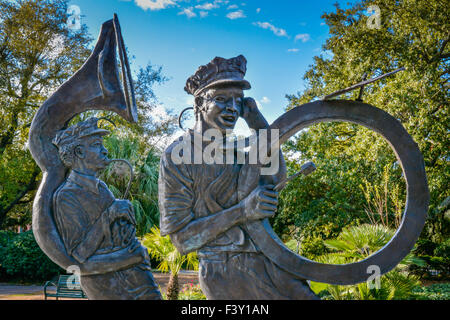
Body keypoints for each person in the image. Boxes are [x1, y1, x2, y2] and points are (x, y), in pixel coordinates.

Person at [158, 55, 318, 299]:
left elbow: (275, 178)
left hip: (270, 259)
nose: (232, 107)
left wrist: (258, 123)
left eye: (238, 101)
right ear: (200, 102)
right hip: (225, 270)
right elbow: (182, 239)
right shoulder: (177, 156)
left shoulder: (238, 152)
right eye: (221, 99)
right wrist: (242, 211)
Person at [52, 117, 161, 300]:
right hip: (107, 283)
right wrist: (110, 215)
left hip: (136, 275)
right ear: (79, 152)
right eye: (96, 145)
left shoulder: (102, 188)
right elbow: (79, 254)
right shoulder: (66, 196)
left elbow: (116, 234)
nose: (105, 150)